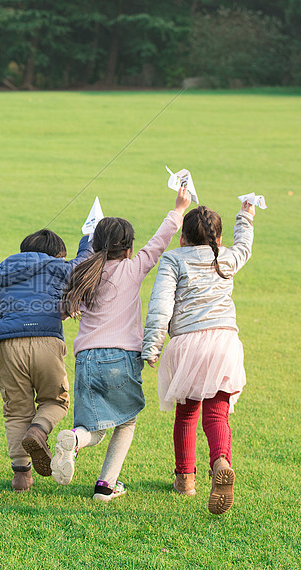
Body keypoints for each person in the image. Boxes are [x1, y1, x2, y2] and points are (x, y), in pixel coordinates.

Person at [51, 188, 192, 501]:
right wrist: (179, 208)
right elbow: (160, 240)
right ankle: (106, 485)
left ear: (95, 244)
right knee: (125, 421)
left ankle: (75, 439)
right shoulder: (134, 267)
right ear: (129, 249)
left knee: (94, 428)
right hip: (121, 359)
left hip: (86, 359)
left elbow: (61, 309)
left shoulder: (83, 272)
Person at [141, 200, 256, 515]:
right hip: (225, 342)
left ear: (182, 239)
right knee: (217, 414)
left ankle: (185, 480)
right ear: (219, 240)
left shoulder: (173, 259)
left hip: (188, 344)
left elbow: (161, 304)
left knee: (187, 414)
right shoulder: (226, 256)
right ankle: (220, 461)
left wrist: (152, 345)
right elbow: (244, 245)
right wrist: (245, 214)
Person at [0, 229, 92, 491]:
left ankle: (21, 476)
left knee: (16, 410)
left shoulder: (3, 271)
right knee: (56, 400)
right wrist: (87, 238)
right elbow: (83, 263)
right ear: (57, 255)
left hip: (8, 345)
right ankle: (38, 430)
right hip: (47, 340)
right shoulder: (58, 266)